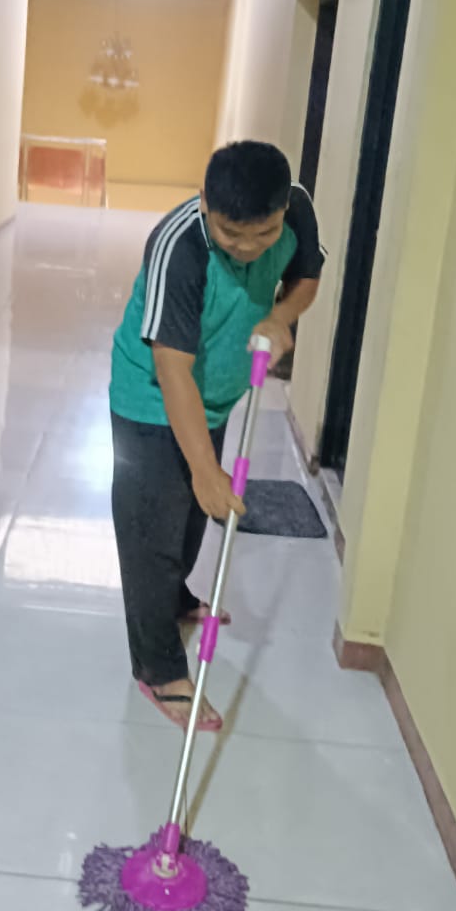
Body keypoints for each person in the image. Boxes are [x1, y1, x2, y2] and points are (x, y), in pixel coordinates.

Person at [110, 141, 324, 730]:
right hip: (153, 396)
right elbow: (172, 369)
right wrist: (206, 471)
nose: (249, 247)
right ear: (205, 202)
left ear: (283, 211)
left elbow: (307, 277)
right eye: (232, 234)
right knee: (152, 530)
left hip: (218, 392)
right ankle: (159, 670)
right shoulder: (179, 245)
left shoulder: (298, 209)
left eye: (264, 234)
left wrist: (279, 318)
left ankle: (176, 598)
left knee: (190, 519)